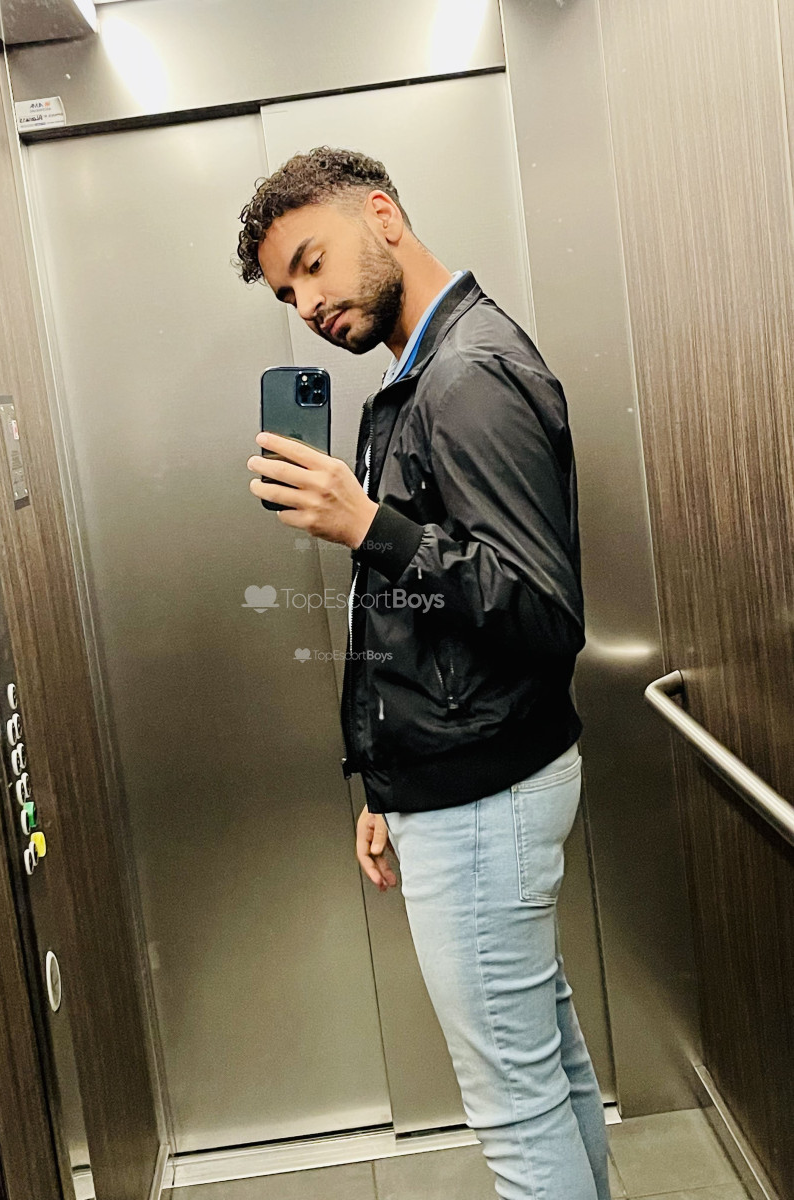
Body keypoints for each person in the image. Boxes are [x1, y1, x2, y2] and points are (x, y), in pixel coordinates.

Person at [237, 147, 610, 1200]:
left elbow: (542, 613)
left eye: (313, 263)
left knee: (515, 1111)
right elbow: (425, 622)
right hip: (459, 781)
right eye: (286, 292)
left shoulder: (467, 376)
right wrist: (384, 783)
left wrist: (369, 525)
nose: (307, 304)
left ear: (383, 217)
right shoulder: (418, 377)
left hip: (484, 794)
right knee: (545, 1070)